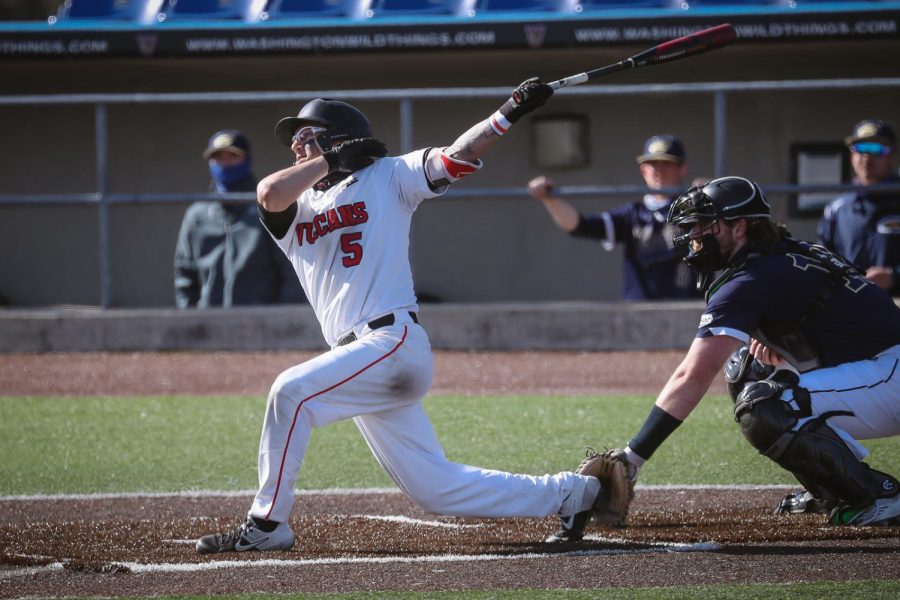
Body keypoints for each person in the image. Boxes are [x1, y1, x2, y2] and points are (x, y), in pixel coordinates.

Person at [195, 79, 607, 554]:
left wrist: (510, 110)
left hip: (389, 341)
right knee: (433, 488)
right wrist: (330, 159)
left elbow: (456, 156)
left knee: (291, 391)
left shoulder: (389, 176)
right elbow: (268, 194)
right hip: (359, 358)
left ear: (338, 136)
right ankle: (573, 493)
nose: (296, 144)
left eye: (307, 134)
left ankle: (267, 525)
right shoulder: (298, 203)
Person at [593, 176, 900, 534]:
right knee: (748, 370)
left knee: (766, 404)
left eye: (705, 225)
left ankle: (878, 495)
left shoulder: (750, 278)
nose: (694, 235)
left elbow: (692, 375)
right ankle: (836, 490)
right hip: (880, 365)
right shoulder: (783, 254)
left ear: (739, 227)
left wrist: (633, 457)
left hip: (891, 371)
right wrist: (787, 343)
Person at [527, 135, 698, 300]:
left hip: (688, 308)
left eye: (667, 163)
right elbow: (580, 225)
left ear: (682, 169)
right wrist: (550, 199)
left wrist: (714, 195)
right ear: (644, 170)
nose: (659, 171)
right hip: (641, 312)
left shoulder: (697, 208)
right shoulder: (633, 214)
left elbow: (722, 234)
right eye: (653, 164)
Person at [174, 129, 303, 308]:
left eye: (233, 156)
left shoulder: (269, 209)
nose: (225, 164)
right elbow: (184, 276)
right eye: (218, 158)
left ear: (247, 160)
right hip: (207, 327)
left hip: (263, 327)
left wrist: (277, 321)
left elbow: (292, 272)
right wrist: (191, 320)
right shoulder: (196, 216)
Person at [817, 119, 900, 295]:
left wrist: (894, 277)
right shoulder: (837, 208)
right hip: (853, 310)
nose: (866, 157)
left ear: (892, 157)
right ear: (852, 155)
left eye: (876, 149)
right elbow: (822, 260)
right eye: (860, 149)